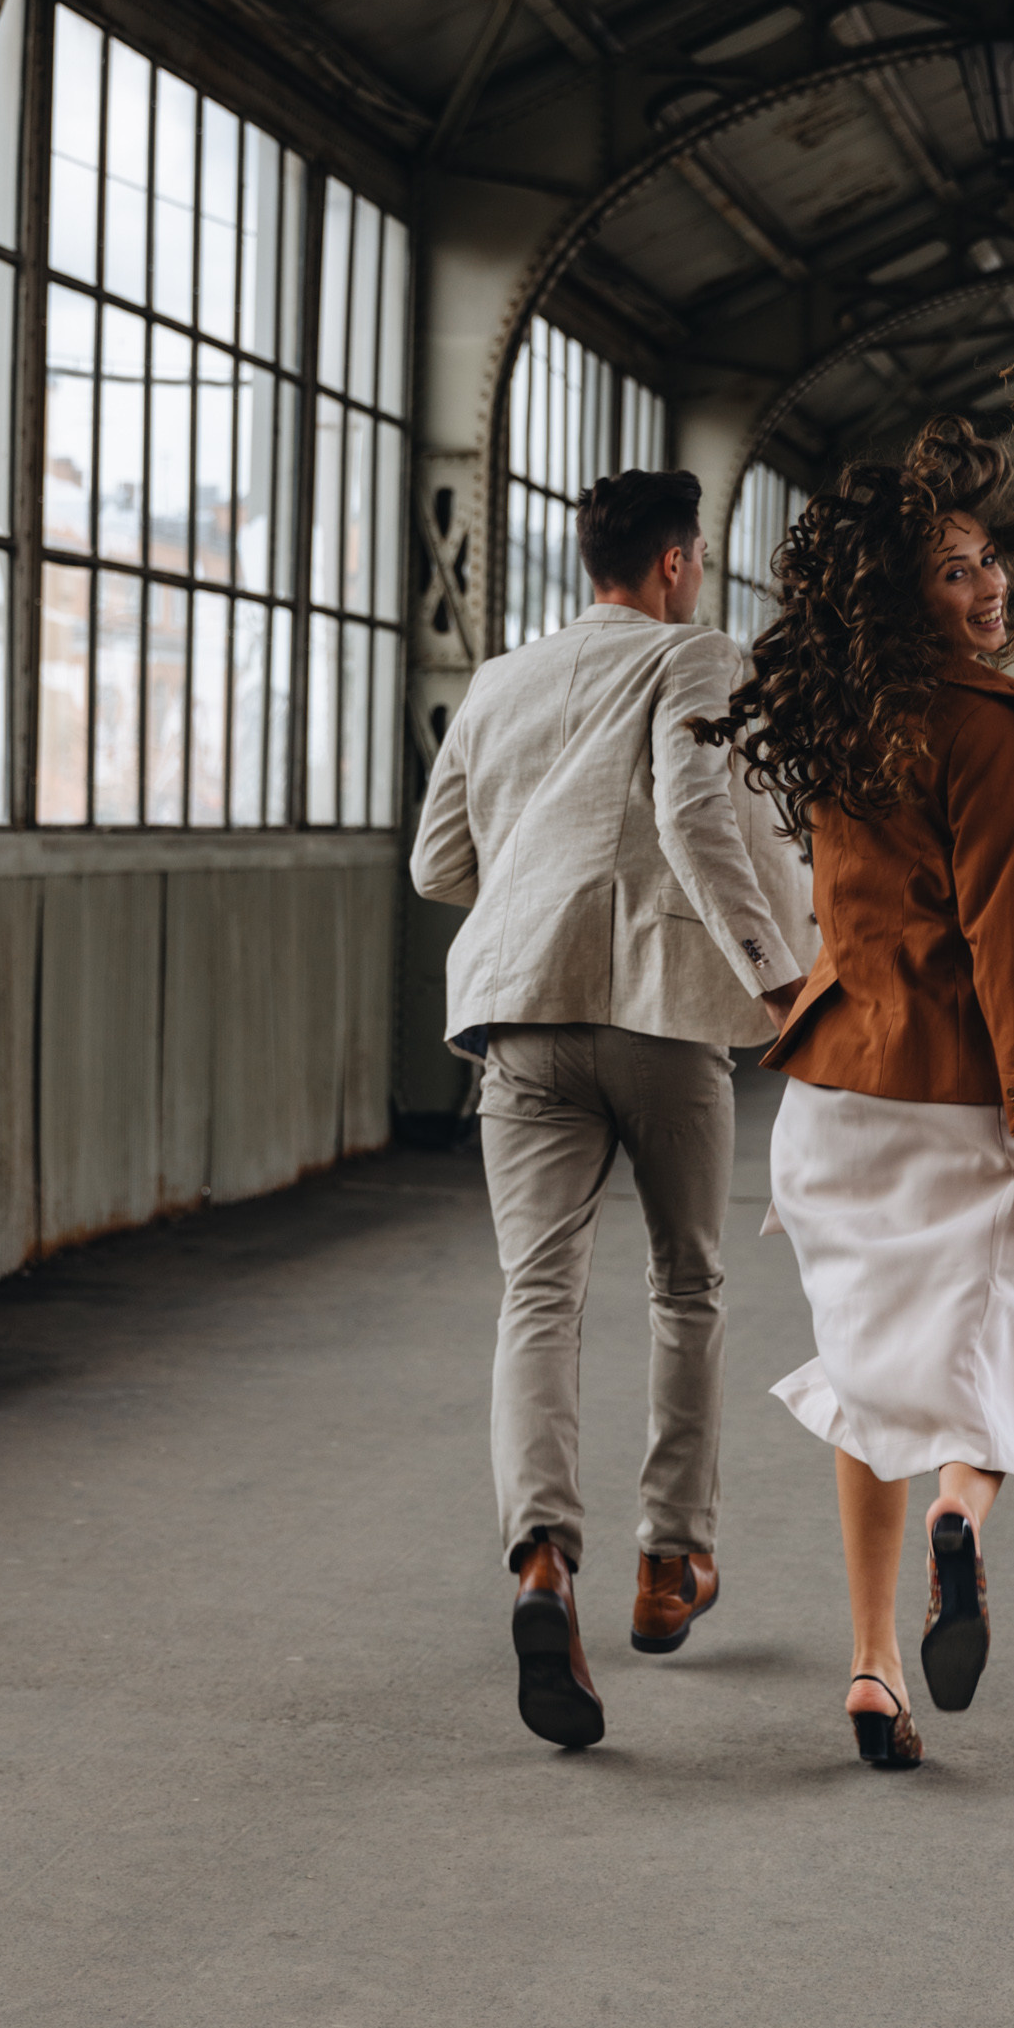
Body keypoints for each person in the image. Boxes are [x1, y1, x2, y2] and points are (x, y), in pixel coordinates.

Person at [692, 398, 1014, 1770]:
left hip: (836, 1097)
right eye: (957, 570)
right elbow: (1005, 949)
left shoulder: (847, 716)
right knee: (1009, 1353)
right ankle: (962, 1516)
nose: (990, 587)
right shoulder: (992, 735)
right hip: (963, 1093)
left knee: (867, 1377)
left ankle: (868, 1672)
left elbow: (831, 909)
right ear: (909, 594)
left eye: (991, 561)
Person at [409, 469, 811, 1753]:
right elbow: (700, 819)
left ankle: (540, 1563)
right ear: (679, 563)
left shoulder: (494, 683)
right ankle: (666, 1560)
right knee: (685, 1285)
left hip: (518, 1015)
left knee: (537, 1294)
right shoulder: (699, 656)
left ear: (589, 559)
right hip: (662, 1012)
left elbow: (435, 865)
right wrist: (778, 981)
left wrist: (537, 870)